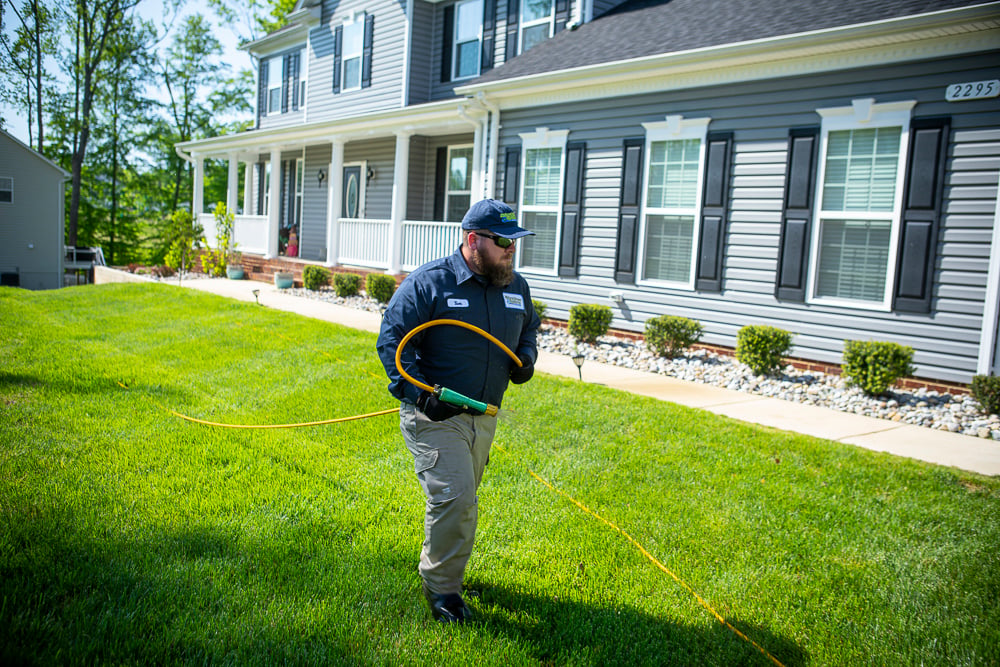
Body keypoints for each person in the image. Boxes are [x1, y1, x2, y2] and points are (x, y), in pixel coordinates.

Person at [376, 199, 541, 623]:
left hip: (483, 415)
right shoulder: (430, 283)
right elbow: (393, 342)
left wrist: (525, 357)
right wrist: (419, 391)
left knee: (462, 499)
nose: (512, 249)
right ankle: (442, 590)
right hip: (434, 415)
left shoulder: (514, 286)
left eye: (515, 241)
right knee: (457, 498)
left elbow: (529, 330)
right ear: (473, 240)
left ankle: (448, 567)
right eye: (504, 241)